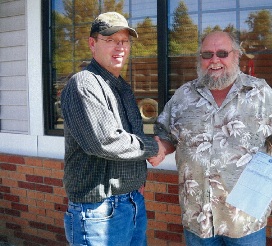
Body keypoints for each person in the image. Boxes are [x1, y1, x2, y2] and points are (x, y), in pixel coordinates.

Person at [148, 31, 272, 246]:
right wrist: (161, 148)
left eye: (222, 53)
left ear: (236, 56)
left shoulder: (259, 92)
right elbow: (166, 135)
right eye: (207, 54)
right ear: (200, 59)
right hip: (198, 217)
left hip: (245, 218)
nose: (214, 60)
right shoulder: (183, 96)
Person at [61, 12, 165, 246]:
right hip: (99, 211)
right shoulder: (84, 83)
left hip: (131, 203)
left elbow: (130, 139)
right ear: (92, 44)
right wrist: (152, 148)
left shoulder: (122, 88)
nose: (119, 47)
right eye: (110, 40)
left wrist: (134, 181)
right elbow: (105, 141)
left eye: (124, 41)